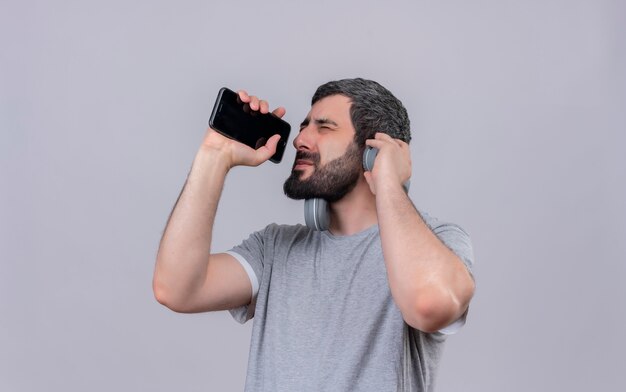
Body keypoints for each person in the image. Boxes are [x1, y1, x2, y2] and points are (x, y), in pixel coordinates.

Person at [153, 78, 475, 391]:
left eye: (323, 126)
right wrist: (214, 155)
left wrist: (389, 182)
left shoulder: (438, 241)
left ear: (374, 151)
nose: (300, 139)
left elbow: (429, 304)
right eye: (305, 126)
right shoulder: (275, 248)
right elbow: (176, 288)